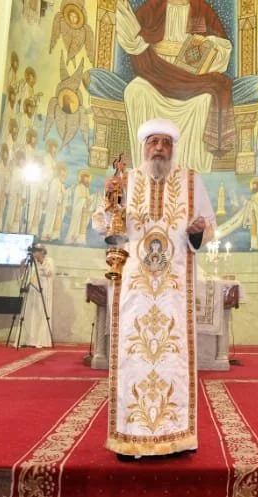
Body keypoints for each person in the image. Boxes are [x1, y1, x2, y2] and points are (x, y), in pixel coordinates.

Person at [93, 119, 215, 459]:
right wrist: (108, 203)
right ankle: (130, 437)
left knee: (173, 362)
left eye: (165, 143)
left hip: (175, 292)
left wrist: (196, 229)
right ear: (143, 147)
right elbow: (104, 228)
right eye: (153, 142)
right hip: (135, 290)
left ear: (173, 149)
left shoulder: (192, 182)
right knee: (133, 359)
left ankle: (175, 436)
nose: (159, 148)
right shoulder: (123, 182)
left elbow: (206, 229)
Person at [114, 0, 233, 172]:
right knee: (134, 91)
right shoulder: (153, 6)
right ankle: (144, 167)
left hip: (192, 80)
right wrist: (122, 1)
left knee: (205, 100)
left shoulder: (202, 10)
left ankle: (193, 171)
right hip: (155, 74)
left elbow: (224, 48)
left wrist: (206, 44)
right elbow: (132, 40)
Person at [16, 243, 55, 347]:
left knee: (41, 315)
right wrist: (22, 267)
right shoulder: (31, 263)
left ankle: (40, 341)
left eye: (37, 251)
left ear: (42, 251)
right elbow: (24, 277)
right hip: (31, 293)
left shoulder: (48, 261)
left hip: (43, 292)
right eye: (34, 251)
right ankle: (28, 340)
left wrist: (40, 260)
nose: (35, 253)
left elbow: (50, 272)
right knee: (29, 315)